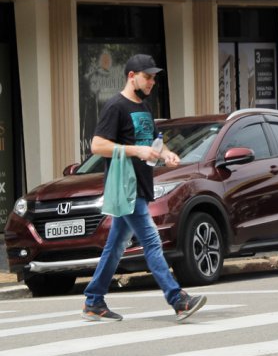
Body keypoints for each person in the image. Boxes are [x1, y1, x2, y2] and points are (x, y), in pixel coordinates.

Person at [81, 54, 207, 322]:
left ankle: (94, 300)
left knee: (115, 246)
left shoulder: (145, 108)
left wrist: (166, 155)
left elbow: (152, 142)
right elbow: (97, 145)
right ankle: (178, 299)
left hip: (142, 184)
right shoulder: (115, 106)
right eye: (147, 77)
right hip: (126, 187)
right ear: (131, 76)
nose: (152, 82)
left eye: (154, 77)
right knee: (151, 241)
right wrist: (134, 150)